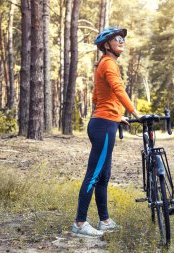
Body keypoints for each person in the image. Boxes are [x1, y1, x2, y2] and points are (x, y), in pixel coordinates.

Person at [71, 26, 142, 237]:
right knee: (94, 175)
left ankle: (104, 220)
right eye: (117, 38)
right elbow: (118, 89)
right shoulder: (109, 64)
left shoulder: (105, 63)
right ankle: (80, 223)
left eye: (123, 39)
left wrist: (116, 114)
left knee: (103, 176)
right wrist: (133, 112)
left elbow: (98, 97)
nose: (122, 41)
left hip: (106, 122)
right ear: (106, 44)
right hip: (103, 126)